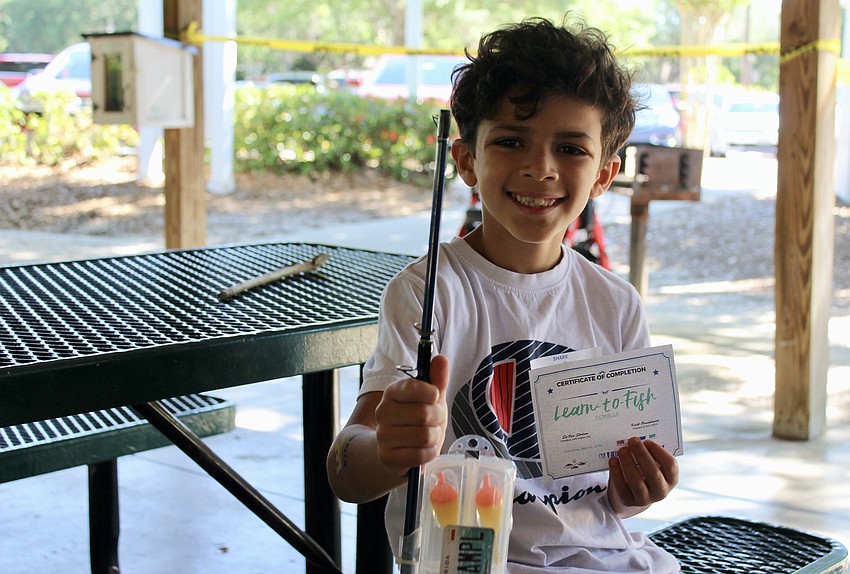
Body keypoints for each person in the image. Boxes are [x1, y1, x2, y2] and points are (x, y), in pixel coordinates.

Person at [327, 15, 680, 573]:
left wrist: (638, 488)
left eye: (570, 148)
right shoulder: (425, 292)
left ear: (605, 175)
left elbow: (608, 501)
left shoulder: (617, 304)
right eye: (512, 141)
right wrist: (390, 450)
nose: (540, 169)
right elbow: (346, 471)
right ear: (466, 160)